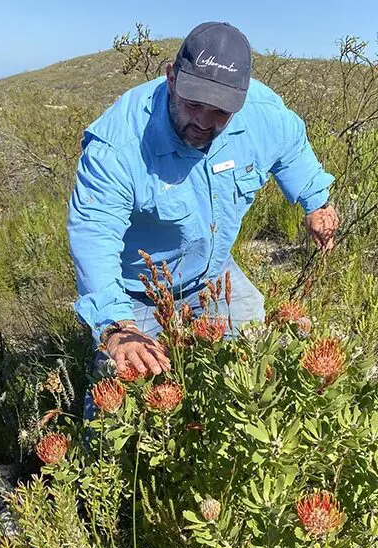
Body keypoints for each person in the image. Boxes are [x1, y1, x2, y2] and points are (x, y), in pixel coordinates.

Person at [68, 22, 338, 387]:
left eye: (220, 113)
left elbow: (289, 146)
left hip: (212, 276)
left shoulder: (261, 113)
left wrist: (315, 201)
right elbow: (94, 234)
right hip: (136, 292)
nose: (203, 122)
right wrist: (118, 326)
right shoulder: (119, 145)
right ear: (171, 78)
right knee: (121, 385)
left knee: (253, 362)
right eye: (193, 104)